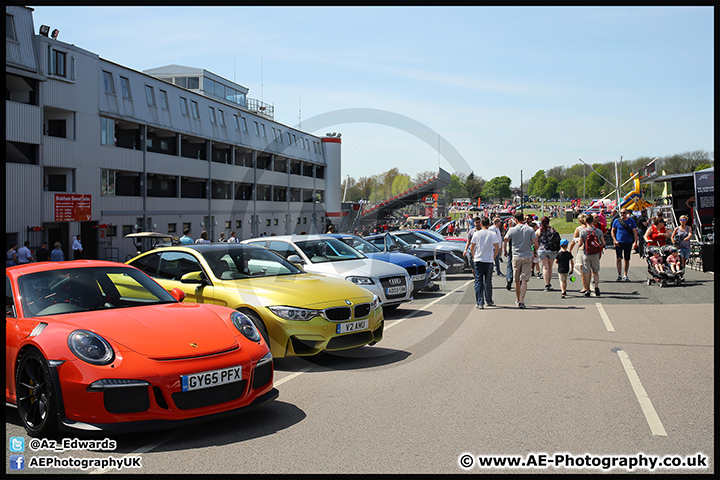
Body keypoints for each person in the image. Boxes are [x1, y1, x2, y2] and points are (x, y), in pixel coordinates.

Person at [503, 212, 539, 309]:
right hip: (527, 255)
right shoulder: (530, 229)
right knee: (524, 280)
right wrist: (533, 249)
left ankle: (518, 298)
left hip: (516, 256)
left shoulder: (512, 229)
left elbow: (505, 239)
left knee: (516, 280)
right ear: (523, 219)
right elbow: (536, 244)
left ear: (515, 219)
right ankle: (522, 300)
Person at [469, 217, 500, 309]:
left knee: (478, 280)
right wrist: (493, 257)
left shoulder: (476, 234)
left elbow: (472, 246)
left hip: (478, 259)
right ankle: (489, 300)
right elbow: (497, 247)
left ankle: (480, 302)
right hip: (489, 260)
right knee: (488, 280)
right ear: (489, 224)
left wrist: (474, 256)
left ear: (481, 224)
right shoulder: (492, 234)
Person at [578, 215, 606, 297]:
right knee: (595, 271)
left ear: (586, 222)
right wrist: (598, 246)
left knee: (587, 272)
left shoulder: (583, 231)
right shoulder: (598, 231)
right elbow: (603, 243)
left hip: (586, 253)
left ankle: (587, 290)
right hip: (596, 253)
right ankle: (596, 286)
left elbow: (580, 244)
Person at [611, 208, 638, 282]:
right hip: (619, 242)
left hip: (628, 242)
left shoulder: (631, 221)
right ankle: (619, 274)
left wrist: (635, 241)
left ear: (627, 213)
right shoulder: (616, 221)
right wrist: (614, 240)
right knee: (619, 258)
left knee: (627, 259)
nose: (622, 214)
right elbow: (613, 231)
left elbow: (634, 231)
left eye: (624, 213)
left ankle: (625, 275)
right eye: (621, 213)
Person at [535, 216, 559, 291]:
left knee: (545, 267)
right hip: (551, 250)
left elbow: (535, 241)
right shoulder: (552, 230)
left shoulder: (539, 231)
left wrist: (535, 250)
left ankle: (546, 284)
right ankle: (549, 282)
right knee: (550, 267)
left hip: (542, 250)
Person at [569, 214, 588, 294]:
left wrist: (569, 250)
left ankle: (585, 287)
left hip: (582, 249)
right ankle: (593, 283)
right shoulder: (590, 228)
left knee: (583, 269)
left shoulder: (579, 229)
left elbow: (573, 241)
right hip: (591, 250)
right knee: (590, 269)